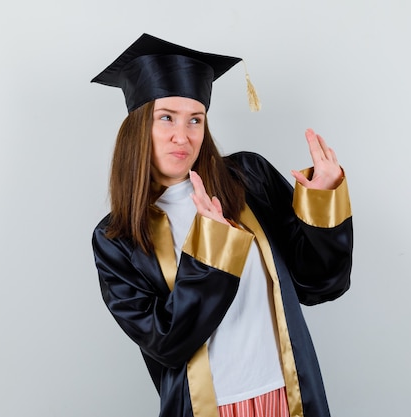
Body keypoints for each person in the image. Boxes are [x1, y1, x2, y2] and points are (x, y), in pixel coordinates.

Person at [91, 33, 353, 417]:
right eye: (166, 118)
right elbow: (168, 344)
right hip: (208, 408)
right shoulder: (117, 238)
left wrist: (323, 203)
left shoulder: (249, 179)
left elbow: (321, 284)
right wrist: (212, 247)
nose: (183, 135)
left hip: (287, 395)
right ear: (137, 128)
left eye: (195, 119)